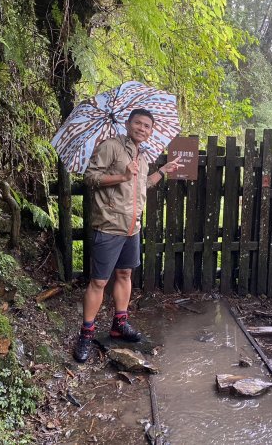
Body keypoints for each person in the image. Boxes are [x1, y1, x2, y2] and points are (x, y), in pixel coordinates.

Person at [73, 108, 182, 363]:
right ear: (128, 123)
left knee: (125, 274)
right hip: (109, 224)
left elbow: (142, 184)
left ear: (151, 131)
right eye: (138, 124)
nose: (142, 129)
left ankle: (119, 324)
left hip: (132, 227)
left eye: (147, 126)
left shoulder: (142, 157)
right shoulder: (110, 146)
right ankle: (86, 334)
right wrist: (122, 175)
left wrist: (163, 170)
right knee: (99, 282)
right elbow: (90, 178)